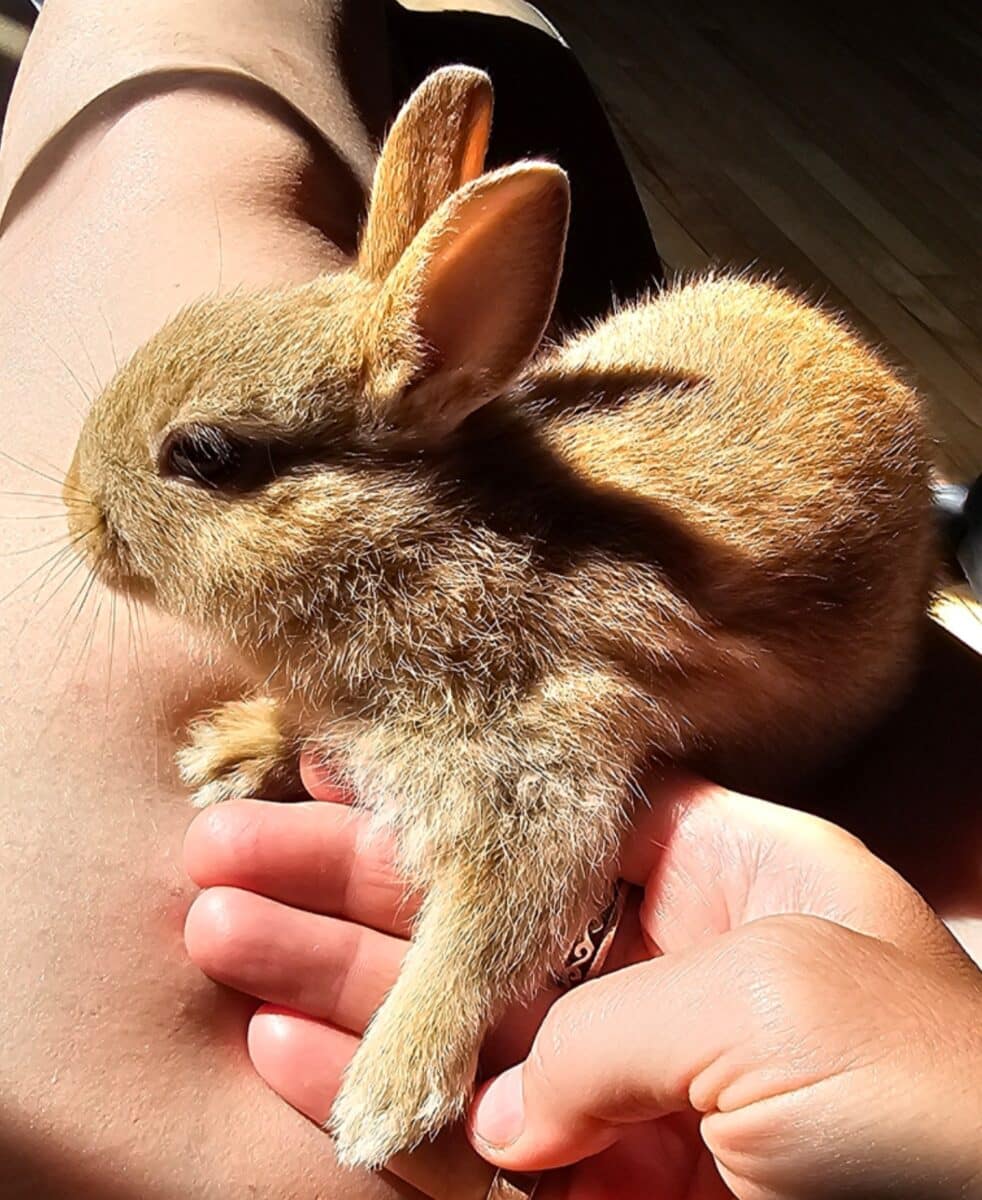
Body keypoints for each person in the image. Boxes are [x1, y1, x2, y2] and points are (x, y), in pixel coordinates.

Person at [0, 1, 979, 1197]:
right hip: (722, 380)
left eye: (202, 463)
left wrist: (430, 1025)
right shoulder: (397, 563)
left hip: (837, 602)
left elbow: (536, 826)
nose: (89, 519)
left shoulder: (486, 620)